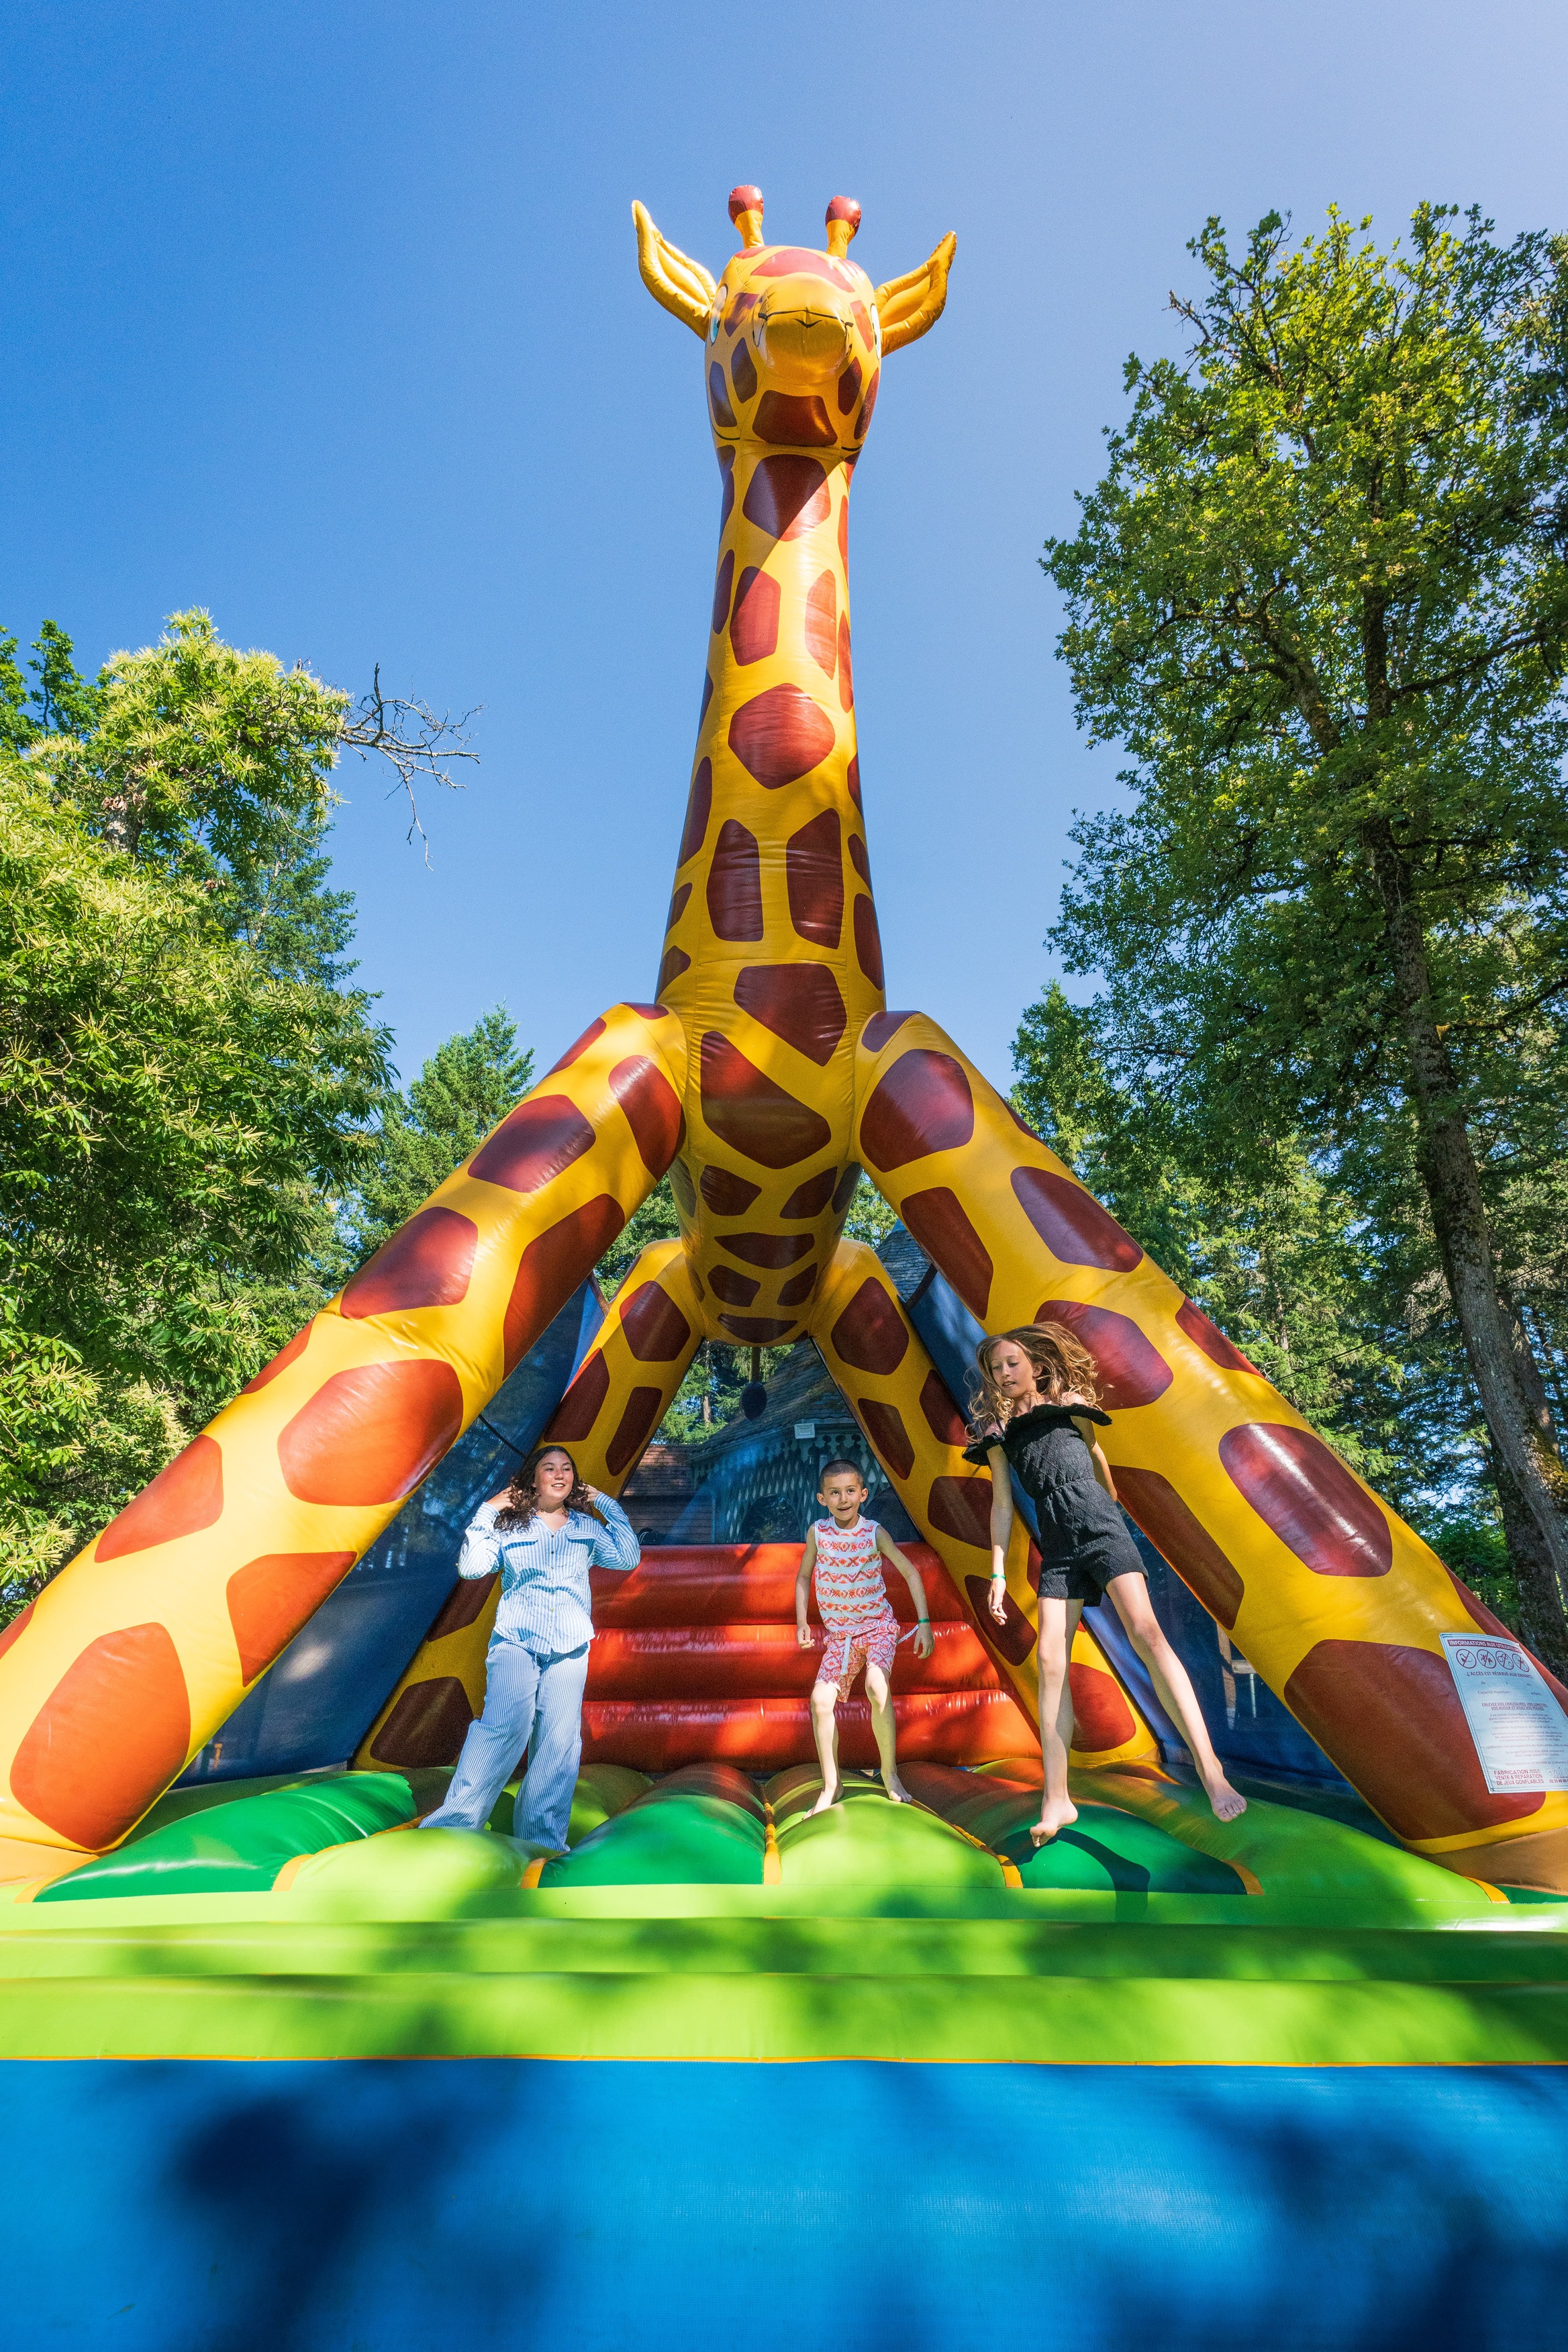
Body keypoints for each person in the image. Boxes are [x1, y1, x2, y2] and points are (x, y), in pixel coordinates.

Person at [966, 1326, 1246, 1843]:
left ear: (1036, 1366)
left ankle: (1210, 1769)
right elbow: (1002, 1504)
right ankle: (1057, 1798)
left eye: (1011, 1363)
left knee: (1147, 1634)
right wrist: (999, 1571)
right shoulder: (997, 1433)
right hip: (1058, 1546)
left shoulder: (1070, 1405)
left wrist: (1109, 1505)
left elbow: (1096, 1459)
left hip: (1101, 1531)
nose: (1003, 1374)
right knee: (1050, 1661)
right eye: (995, 1369)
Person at [419, 1442, 640, 1851]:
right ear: (533, 1479)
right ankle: (454, 1826)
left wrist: (604, 1503)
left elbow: (627, 1558)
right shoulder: (510, 1527)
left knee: (559, 1741)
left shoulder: (586, 1528)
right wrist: (487, 1510)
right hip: (516, 1642)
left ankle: (541, 1838)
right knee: (504, 1729)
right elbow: (472, 1568)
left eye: (567, 1469)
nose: (560, 1474)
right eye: (550, 1468)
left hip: (570, 1646)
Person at [795, 1459, 933, 1814]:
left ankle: (889, 1773)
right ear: (822, 1499)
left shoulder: (874, 1532)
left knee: (876, 1686)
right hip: (840, 1636)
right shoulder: (818, 1533)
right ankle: (832, 1785)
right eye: (835, 1493)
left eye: (850, 1491)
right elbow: (804, 1576)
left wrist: (924, 1623)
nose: (843, 1499)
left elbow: (911, 1573)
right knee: (820, 1701)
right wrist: (802, 1621)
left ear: (863, 1494)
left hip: (877, 1628)